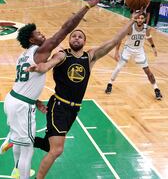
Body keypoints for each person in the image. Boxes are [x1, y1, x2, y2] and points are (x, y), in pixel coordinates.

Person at [0, 0, 105, 179]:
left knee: (24, 142)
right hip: (22, 106)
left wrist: (36, 100)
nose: (42, 34)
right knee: (28, 150)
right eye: (38, 33)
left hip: (14, 99)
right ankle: (22, 174)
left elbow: (24, 83)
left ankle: (15, 163)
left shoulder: (24, 55)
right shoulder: (41, 50)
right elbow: (66, 28)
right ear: (32, 40)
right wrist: (87, 6)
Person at [26, 10, 142, 179]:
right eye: (74, 36)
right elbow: (48, 65)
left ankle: (18, 139)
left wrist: (131, 21)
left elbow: (115, 40)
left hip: (74, 110)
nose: (77, 38)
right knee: (57, 150)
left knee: (48, 145)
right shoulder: (62, 54)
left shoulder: (90, 57)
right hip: (59, 106)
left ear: (85, 41)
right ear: (69, 40)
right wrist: (39, 67)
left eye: (80, 36)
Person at [105, 13, 162, 100]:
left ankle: (156, 89)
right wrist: (116, 51)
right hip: (128, 49)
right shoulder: (130, 28)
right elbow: (120, 38)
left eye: (142, 18)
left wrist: (153, 47)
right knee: (119, 67)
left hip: (139, 51)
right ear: (136, 19)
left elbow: (149, 37)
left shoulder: (146, 28)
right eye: (138, 18)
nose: (140, 20)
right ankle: (110, 83)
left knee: (148, 71)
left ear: (144, 19)